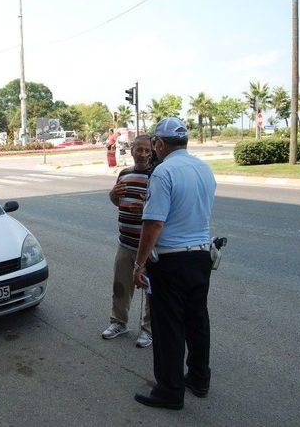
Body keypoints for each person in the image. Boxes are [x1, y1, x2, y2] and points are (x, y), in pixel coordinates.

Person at [132, 117, 216, 410]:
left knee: (168, 327)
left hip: (171, 261)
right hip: (201, 256)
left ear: (160, 144)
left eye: (154, 143)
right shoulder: (203, 169)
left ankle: (169, 390)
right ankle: (198, 378)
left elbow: (154, 223)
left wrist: (139, 264)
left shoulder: (163, 172)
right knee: (197, 321)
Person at [102, 135, 153, 347]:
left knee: (151, 290)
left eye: (146, 151)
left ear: (152, 152)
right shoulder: (124, 173)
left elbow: (164, 211)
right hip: (125, 243)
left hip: (149, 246)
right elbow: (116, 201)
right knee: (121, 286)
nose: (142, 154)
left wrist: (146, 209)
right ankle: (118, 322)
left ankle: (148, 330)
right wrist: (113, 194)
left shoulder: (157, 175)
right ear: (131, 150)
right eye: (138, 149)